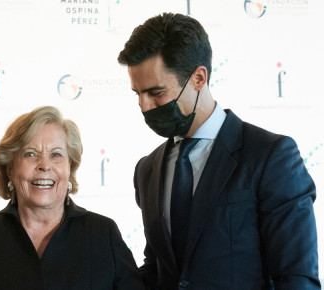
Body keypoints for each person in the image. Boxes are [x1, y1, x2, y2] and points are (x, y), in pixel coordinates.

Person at [117, 12, 319, 289]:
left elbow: (296, 278)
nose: (144, 105)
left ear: (199, 78)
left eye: (156, 92)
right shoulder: (147, 169)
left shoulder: (271, 157)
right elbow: (158, 269)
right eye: (137, 94)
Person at [0, 106, 144, 289]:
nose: (45, 166)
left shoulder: (103, 233)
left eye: (56, 155)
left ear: (69, 167)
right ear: (10, 168)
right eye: (30, 154)